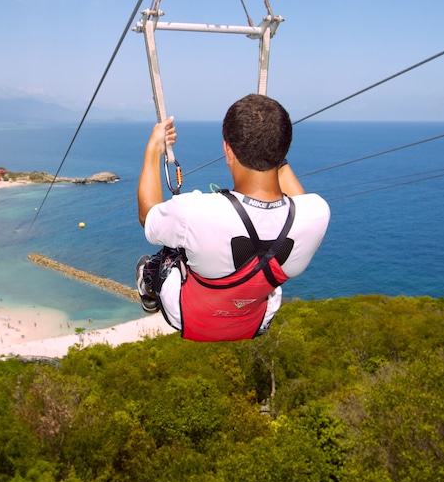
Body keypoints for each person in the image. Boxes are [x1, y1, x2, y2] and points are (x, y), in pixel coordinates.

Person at [136, 94, 330, 341]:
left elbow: (148, 215)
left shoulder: (195, 212)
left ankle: (148, 289)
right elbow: (299, 201)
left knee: (155, 261)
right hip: (256, 320)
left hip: (187, 316)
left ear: (227, 150)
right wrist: (272, 147)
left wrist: (154, 148)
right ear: (283, 149)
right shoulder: (317, 214)